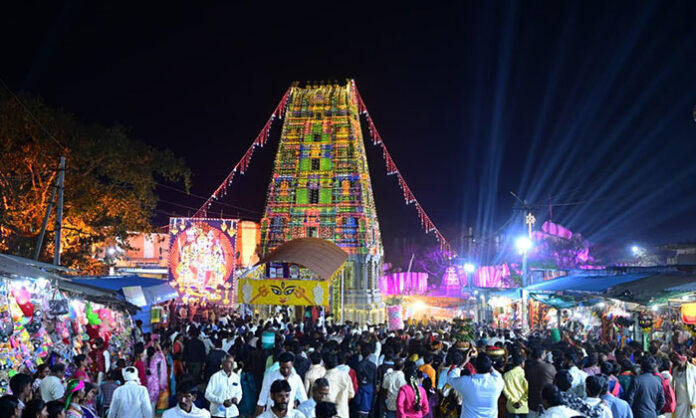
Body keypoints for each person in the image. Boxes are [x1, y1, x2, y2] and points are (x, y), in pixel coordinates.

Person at [448, 353, 504, 418]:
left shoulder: (468, 382)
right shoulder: (498, 382)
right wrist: (487, 361)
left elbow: (450, 378)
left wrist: (464, 362)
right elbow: (496, 374)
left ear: (475, 367)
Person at [321, 353, 354, 418]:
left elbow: (326, 399)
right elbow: (351, 394)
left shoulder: (325, 379)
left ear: (325, 364)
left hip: (331, 414)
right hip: (344, 413)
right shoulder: (345, 375)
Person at [671, 352, 696, 418]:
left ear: (684, 359)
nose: (677, 361)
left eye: (679, 359)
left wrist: (694, 402)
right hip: (679, 402)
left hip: (690, 402)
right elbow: (673, 386)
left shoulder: (693, 369)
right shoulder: (675, 370)